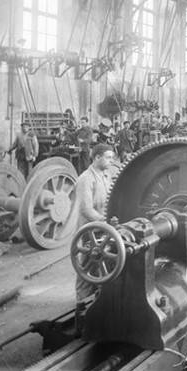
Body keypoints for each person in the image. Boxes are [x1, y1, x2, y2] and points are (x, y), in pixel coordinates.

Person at [74, 143, 115, 335]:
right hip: (90, 230)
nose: (111, 161)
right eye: (108, 157)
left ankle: (99, 302)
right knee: (88, 264)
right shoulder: (85, 179)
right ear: (97, 158)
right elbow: (86, 209)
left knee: (101, 265)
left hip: (103, 229)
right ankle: (81, 308)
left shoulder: (105, 176)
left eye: (112, 157)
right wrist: (105, 221)